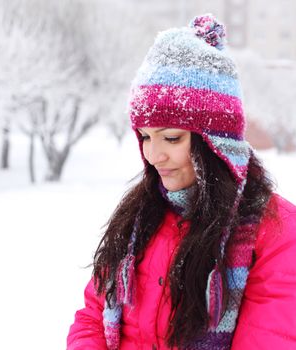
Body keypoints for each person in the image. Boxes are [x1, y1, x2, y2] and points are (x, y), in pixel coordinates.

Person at [67, 14, 296, 349]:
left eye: (171, 138)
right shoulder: (138, 218)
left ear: (216, 142)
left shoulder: (277, 230)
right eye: (145, 136)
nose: (153, 154)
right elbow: (92, 315)